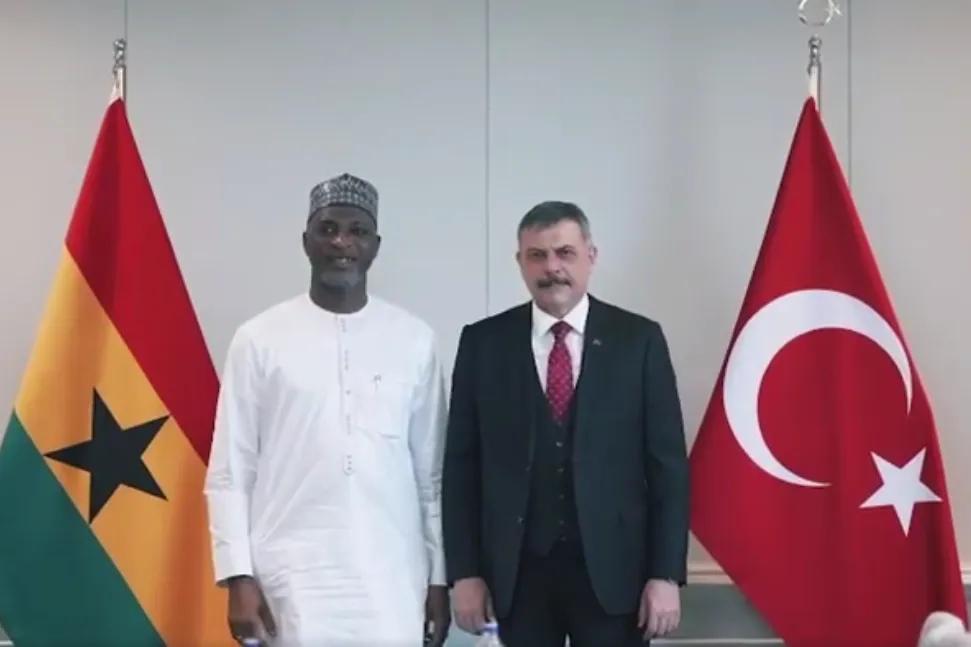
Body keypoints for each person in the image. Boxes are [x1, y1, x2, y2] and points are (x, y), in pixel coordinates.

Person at [203, 173, 451, 646]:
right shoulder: (258, 339)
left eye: (357, 231)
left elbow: (431, 477)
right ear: (306, 241)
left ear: (375, 246)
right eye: (328, 229)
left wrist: (438, 577)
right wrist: (237, 575)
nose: (342, 242)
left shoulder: (415, 340)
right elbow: (231, 471)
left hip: (393, 579)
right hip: (289, 579)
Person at [442, 201, 690, 647]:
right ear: (520, 262)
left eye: (565, 253)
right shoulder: (483, 343)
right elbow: (461, 469)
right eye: (537, 255)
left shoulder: (638, 341)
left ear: (590, 256)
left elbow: (668, 469)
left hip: (617, 579)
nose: (552, 267)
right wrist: (464, 573)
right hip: (516, 581)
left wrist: (666, 574)